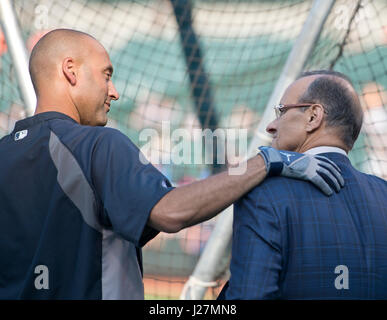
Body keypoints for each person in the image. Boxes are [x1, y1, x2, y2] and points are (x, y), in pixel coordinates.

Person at [0, 30, 342, 300]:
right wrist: (265, 162)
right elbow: (170, 213)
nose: (114, 91)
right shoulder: (98, 144)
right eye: (106, 75)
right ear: (70, 70)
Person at [218, 70, 387, 300]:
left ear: (313, 117)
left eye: (281, 111)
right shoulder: (383, 193)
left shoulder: (264, 194)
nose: (271, 126)